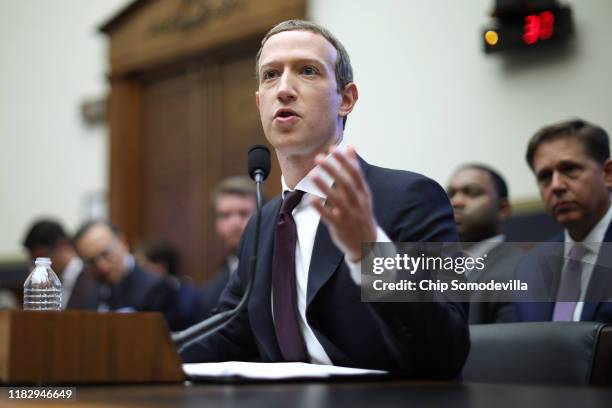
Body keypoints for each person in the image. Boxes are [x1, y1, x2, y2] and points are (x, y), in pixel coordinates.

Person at [179, 20, 469, 378]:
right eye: (271, 75)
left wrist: (371, 253)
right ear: (259, 103)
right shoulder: (262, 223)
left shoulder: (411, 198)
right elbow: (229, 333)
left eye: (307, 71)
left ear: (346, 99)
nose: (284, 89)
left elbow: (447, 350)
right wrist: (139, 355)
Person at [515, 119, 612, 322]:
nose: (556, 185)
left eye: (569, 169)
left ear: (608, 174)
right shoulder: (529, 266)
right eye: (545, 177)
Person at [73, 220, 203, 331]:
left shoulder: (157, 288)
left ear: (122, 242)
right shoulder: (86, 292)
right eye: (91, 261)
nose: (102, 267)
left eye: (106, 254)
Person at [447, 164, 523, 324]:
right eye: (451, 194)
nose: (456, 202)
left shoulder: (522, 269)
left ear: (502, 209)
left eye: (472, 193)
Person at [201, 176, 257, 315]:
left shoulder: (282, 270)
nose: (235, 223)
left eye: (243, 213)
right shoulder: (210, 291)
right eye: (225, 215)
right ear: (216, 224)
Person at [22, 219, 99, 309]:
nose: (37, 267)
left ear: (63, 245)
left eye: (43, 257)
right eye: (34, 261)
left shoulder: (93, 276)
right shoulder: (52, 282)